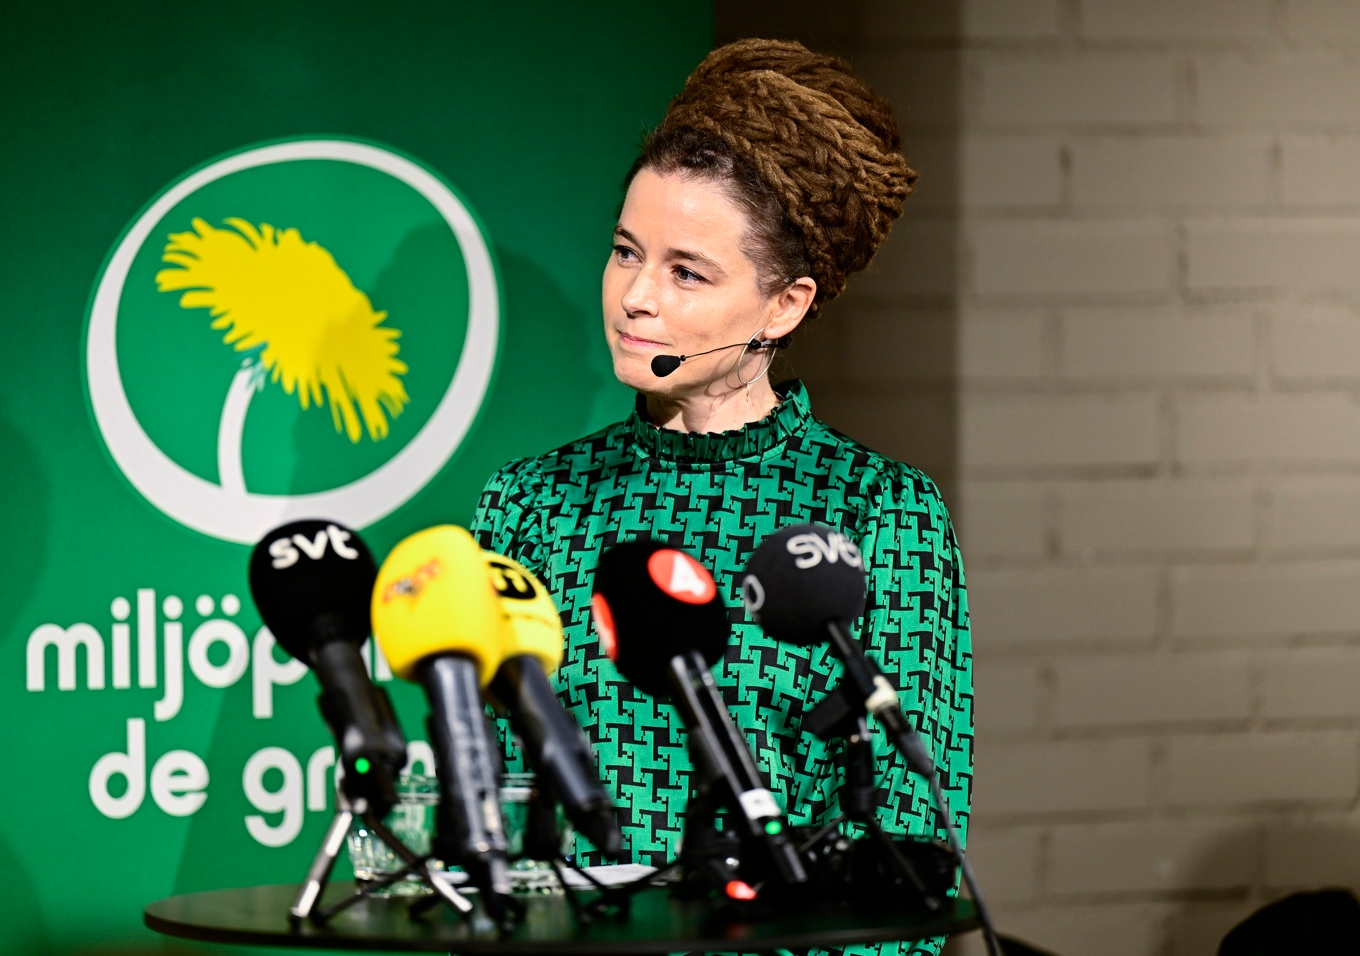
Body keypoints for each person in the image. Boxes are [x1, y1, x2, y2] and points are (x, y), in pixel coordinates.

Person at [471, 38, 972, 956]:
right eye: (627, 253)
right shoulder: (530, 503)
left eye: (686, 271)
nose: (634, 297)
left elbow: (907, 858)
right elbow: (484, 818)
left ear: (782, 306)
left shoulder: (882, 511)